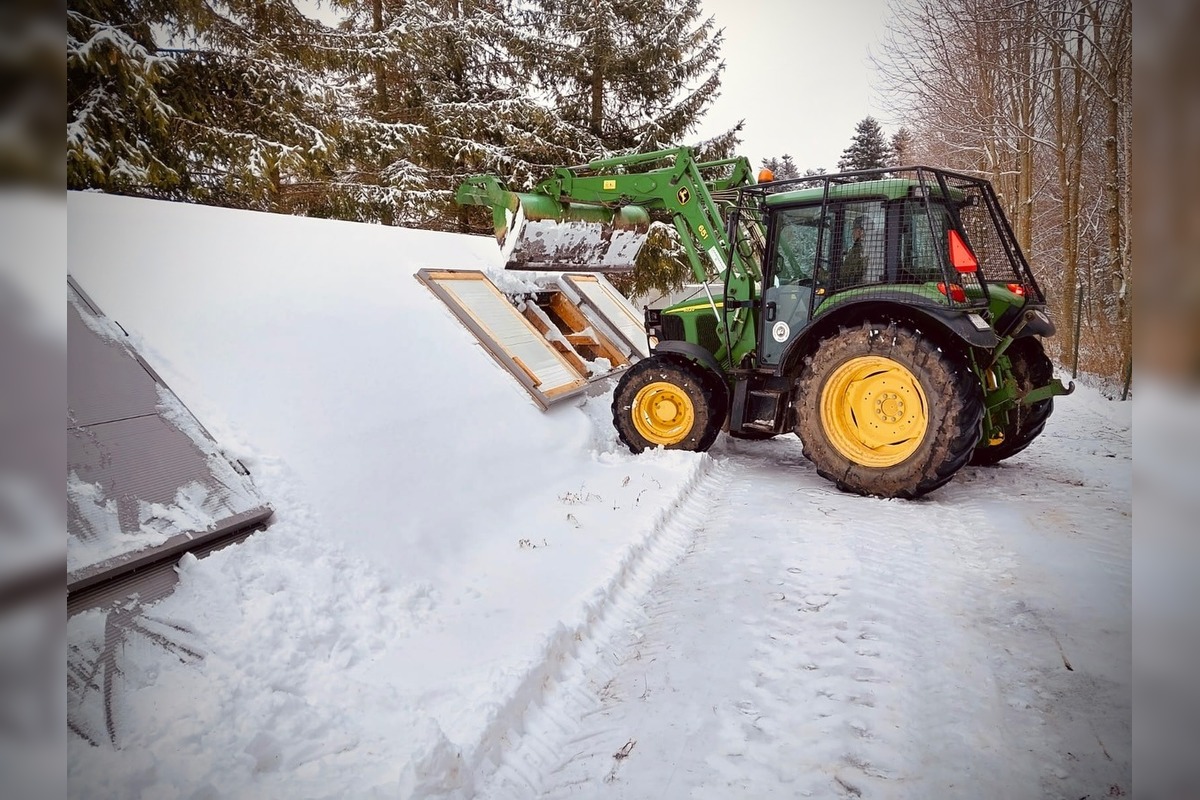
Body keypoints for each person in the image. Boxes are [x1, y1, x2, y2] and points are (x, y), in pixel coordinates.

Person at [838, 215, 868, 289]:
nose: (852, 234)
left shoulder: (858, 250)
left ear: (860, 232)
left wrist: (822, 274)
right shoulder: (873, 246)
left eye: (854, 230)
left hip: (856, 288)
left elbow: (845, 275)